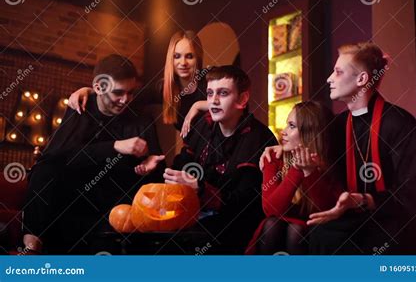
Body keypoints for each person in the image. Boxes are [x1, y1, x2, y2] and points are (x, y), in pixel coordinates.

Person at [261, 42, 416, 254]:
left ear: (362, 79)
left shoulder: (399, 123)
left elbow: (414, 193)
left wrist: (363, 200)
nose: (329, 78)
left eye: (338, 72)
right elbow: (308, 145)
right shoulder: (338, 125)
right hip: (357, 218)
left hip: (402, 220)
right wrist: (280, 149)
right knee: (321, 233)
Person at [22, 54, 166, 254]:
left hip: (114, 203)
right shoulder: (81, 107)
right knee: (45, 169)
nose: (125, 100)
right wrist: (114, 146)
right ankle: (31, 248)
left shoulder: (140, 117)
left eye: (131, 92)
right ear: (98, 88)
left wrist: (151, 165)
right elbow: (57, 156)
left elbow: (159, 173)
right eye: (118, 93)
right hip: (75, 197)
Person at [163, 65, 278, 253]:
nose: (214, 101)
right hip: (197, 216)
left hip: (236, 224)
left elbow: (245, 204)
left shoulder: (259, 139)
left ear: (242, 99)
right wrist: (172, 175)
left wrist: (201, 189)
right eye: (209, 94)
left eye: (223, 93)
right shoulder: (203, 126)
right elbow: (183, 162)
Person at [245, 101, 343, 255]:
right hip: (276, 229)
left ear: (309, 133)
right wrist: (296, 169)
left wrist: (310, 171)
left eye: (291, 126)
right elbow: (271, 210)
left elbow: (326, 210)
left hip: (315, 232)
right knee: (272, 225)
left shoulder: (328, 163)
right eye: (286, 125)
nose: (283, 132)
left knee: (296, 231)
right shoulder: (273, 157)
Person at [67, 30, 208, 134]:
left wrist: (198, 105)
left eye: (189, 56)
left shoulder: (210, 80)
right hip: (194, 155)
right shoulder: (163, 88)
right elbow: (128, 96)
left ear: (198, 58)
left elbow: (229, 104)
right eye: (177, 56)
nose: (182, 62)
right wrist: (89, 90)